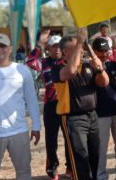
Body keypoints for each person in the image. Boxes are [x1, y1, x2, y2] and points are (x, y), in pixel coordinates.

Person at [0, 33, 41, 179]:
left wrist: (37, 126)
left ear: (10, 49)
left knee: (24, 172)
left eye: (3, 46)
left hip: (18, 131)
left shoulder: (22, 70)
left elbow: (32, 99)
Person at [52, 29, 109, 180]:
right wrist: (80, 39)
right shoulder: (58, 68)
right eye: (77, 47)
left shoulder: (87, 66)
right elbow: (70, 70)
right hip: (73, 119)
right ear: (65, 51)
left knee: (95, 157)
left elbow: (104, 83)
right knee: (80, 161)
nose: (82, 49)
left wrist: (100, 68)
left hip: (92, 116)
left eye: (82, 46)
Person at [26, 30, 72, 179]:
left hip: (66, 104)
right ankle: (52, 169)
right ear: (49, 48)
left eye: (59, 46)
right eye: (53, 46)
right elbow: (30, 61)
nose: (56, 49)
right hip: (51, 105)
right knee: (51, 140)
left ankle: (71, 167)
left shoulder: (67, 62)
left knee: (70, 138)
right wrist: (39, 44)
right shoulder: (43, 63)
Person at [92, 37, 116, 180]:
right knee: (101, 148)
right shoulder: (90, 67)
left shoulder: (111, 64)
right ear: (94, 51)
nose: (103, 54)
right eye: (100, 51)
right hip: (101, 113)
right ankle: (101, 176)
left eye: (105, 51)